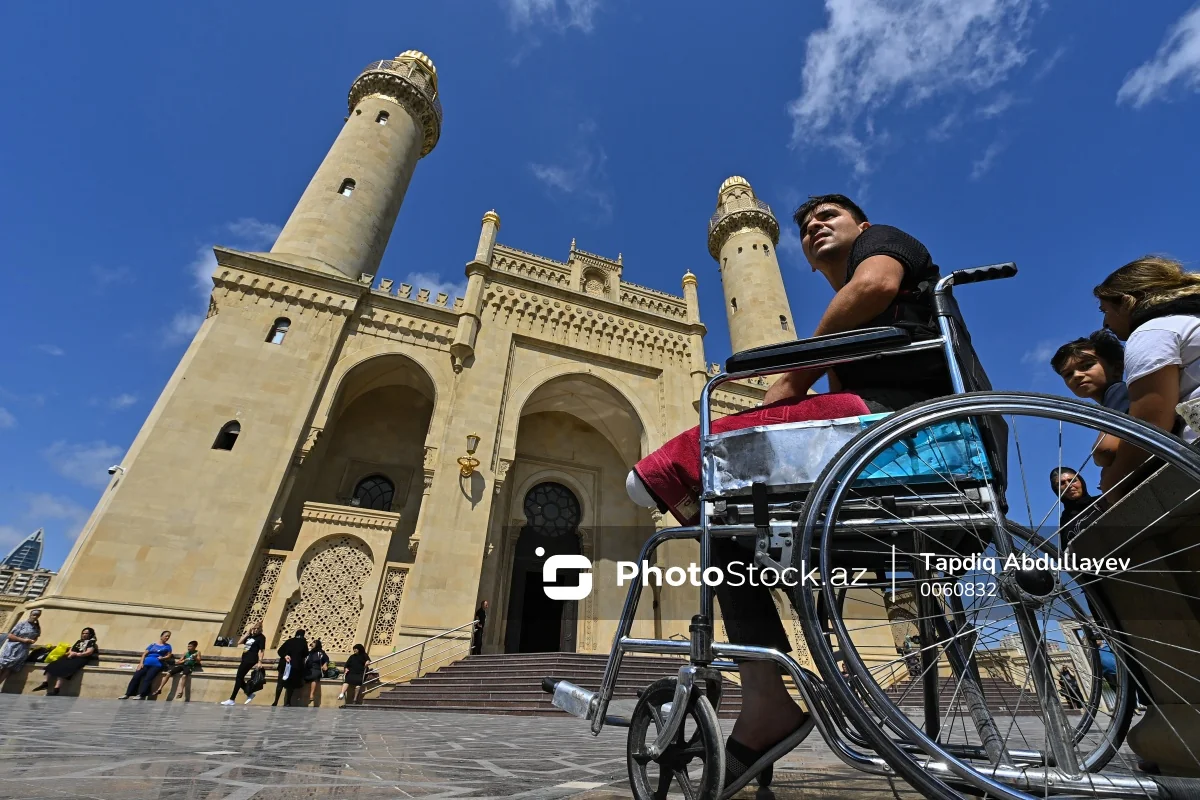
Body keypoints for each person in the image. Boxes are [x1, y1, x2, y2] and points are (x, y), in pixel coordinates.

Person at [628, 194, 951, 788]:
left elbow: (876, 284)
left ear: (862, 225)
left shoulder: (883, 245)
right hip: (884, 452)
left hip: (902, 431)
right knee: (726, 532)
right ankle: (765, 695)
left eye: (829, 215)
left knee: (709, 448)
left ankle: (660, 479)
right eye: (805, 225)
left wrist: (794, 377)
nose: (815, 226)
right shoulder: (855, 324)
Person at [1095, 256, 1200, 493]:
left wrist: (1113, 485)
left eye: (1105, 310)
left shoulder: (1153, 332)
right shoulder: (1189, 320)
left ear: (1126, 302)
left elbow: (1151, 428)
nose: (1104, 323)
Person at [1051, 329, 1129, 467]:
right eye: (1068, 374)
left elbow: (1105, 450)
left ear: (1117, 368)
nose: (1076, 375)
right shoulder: (1109, 403)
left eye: (1086, 366)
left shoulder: (1118, 391)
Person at [33, 627, 98, 696]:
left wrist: (77, 654)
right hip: (72, 656)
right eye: (83, 633)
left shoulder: (91, 643)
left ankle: (56, 689)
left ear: (90, 634)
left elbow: (89, 652)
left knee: (65, 668)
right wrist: (71, 653)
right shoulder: (79, 641)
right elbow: (71, 649)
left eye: (86, 633)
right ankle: (45, 683)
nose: (84, 635)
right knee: (54, 664)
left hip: (81, 658)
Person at [221, 622, 266, 706]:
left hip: (251, 659)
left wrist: (260, 661)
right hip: (245, 658)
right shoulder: (250, 636)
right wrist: (247, 633)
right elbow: (239, 642)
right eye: (254, 628)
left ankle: (232, 699)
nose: (256, 630)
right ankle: (249, 693)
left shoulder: (261, 637)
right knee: (239, 678)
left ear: (260, 629)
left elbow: (261, 650)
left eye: (257, 629)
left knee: (239, 677)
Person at [119, 631, 172, 700]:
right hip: (146, 663)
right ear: (161, 636)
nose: (167, 637)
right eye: (166, 636)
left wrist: (163, 658)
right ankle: (128, 694)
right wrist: (141, 663)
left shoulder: (168, 646)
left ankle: (141, 694)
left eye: (168, 636)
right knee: (136, 677)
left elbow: (169, 655)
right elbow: (144, 654)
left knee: (148, 678)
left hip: (157, 665)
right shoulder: (153, 645)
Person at [0, 609, 43, 685]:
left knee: (9, 669)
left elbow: (36, 636)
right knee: (2, 665)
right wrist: (23, 640)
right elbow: (10, 636)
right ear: (30, 615)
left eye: (37, 615)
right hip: (12, 648)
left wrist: (33, 641)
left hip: (23, 650)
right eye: (34, 615)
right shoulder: (22, 624)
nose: (35, 617)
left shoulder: (36, 627)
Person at [273, 629, 308, 707]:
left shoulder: (289, 641)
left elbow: (280, 651)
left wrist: (285, 656)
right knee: (291, 685)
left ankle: (275, 701)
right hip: (295, 667)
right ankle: (288, 702)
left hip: (284, 665)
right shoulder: (303, 642)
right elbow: (305, 653)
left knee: (280, 683)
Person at [302, 639, 330, 706]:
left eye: (314, 643)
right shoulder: (309, 653)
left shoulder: (321, 653)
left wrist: (325, 664)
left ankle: (311, 694)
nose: (312, 644)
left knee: (315, 677)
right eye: (312, 643)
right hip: (308, 669)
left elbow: (326, 659)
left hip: (316, 669)